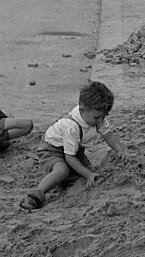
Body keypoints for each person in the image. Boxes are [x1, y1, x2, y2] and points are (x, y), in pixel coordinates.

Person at [19, 81, 128, 210]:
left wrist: (120, 150)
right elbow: (69, 157)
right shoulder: (71, 126)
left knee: (92, 171)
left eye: (103, 117)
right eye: (96, 117)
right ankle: (35, 196)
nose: (100, 121)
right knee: (62, 170)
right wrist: (87, 175)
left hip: (75, 150)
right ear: (82, 109)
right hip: (52, 150)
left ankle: (66, 180)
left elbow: (108, 134)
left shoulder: (96, 116)